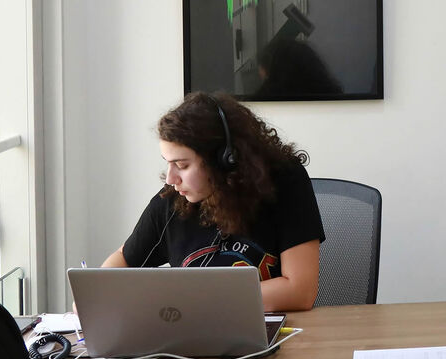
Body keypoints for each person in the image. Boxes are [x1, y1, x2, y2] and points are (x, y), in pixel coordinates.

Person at [102, 92, 325, 312]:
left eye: (182, 165)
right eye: (168, 163)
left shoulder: (284, 183)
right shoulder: (171, 200)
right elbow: (123, 259)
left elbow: (300, 291)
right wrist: (98, 295)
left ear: (224, 160)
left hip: (270, 336)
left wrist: (192, 300)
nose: (171, 178)